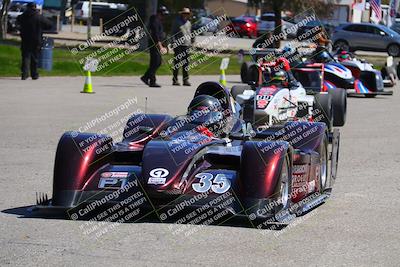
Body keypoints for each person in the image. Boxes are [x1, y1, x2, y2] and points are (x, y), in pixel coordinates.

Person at [17, 3, 51, 80]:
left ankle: (24, 74)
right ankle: (34, 74)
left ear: (27, 8)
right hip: (36, 40)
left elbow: (18, 21)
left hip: (25, 39)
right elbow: (49, 25)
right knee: (35, 58)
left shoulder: (23, 16)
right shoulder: (39, 17)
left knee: (25, 57)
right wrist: (42, 28)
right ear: (35, 8)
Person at [141, 6, 169, 87]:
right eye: (163, 14)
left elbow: (161, 34)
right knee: (156, 62)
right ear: (159, 13)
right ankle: (150, 80)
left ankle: (146, 78)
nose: (163, 16)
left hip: (157, 43)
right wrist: (160, 46)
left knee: (155, 62)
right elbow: (155, 35)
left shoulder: (158, 21)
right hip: (154, 44)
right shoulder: (154, 21)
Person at [171, 7, 192, 86]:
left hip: (186, 45)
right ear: (182, 14)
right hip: (178, 45)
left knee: (186, 64)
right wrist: (173, 43)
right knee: (177, 63)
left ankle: (185, 80)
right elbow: (173, 33)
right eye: (185, 13)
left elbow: (190, 33)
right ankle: (175, 80)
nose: (186, 15)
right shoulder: (176, 21)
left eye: (187, 13)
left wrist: (191, 43)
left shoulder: (189, 23)